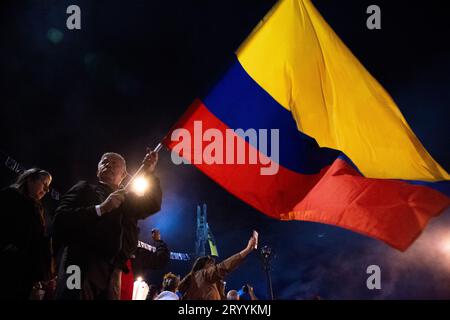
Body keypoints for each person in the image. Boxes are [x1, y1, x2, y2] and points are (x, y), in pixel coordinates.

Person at [53, 151, 162, 300]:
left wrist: (149, 172)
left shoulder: (127, 201)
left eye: (115, 164)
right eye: (105, 162)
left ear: (123, 175)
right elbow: (60, 218)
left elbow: (153, 204)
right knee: (71, 297)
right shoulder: (84, 189)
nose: (109, 165)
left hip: (112, 272)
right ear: (97, 171)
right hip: (78, 263)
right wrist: (101, 209)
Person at [0, 168, 54, 299]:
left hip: (25, 272)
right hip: (7, 266)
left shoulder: (38, 208)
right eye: (44, 184)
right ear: (30, 179)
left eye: (48, 187)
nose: (47, 190)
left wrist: (45, 273)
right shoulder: (9, 196)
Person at [178, 232, 257, 300]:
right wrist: (246, 250)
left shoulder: (196, 280)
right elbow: (223, 267)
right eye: (211, 265)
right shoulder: (202, 274)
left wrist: (221, 291)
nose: (214, 266)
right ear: (204, 266)